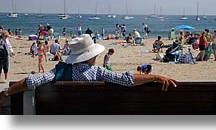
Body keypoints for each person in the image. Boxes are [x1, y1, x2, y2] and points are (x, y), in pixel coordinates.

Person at [0, 34, 177, 106]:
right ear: (92, 55)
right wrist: (155, 77)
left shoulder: (58, 71)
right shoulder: (98, 72)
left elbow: (30, 81)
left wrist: (6, 93)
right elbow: (127, 80)